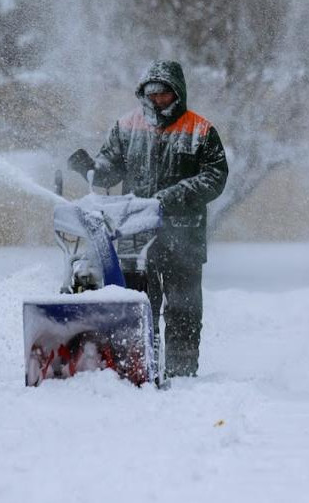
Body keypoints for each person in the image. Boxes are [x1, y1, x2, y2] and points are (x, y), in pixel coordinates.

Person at [68, 60, 228, 378]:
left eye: (163, 94)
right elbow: (110, 167)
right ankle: (142, 369)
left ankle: (182, 373)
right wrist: (91, 168)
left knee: (184, 309)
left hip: (184, 238)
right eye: (150, 94)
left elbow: (215, 177)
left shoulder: (200, 130)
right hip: (136, 238)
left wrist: (172, 198)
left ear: (177, 94)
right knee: (141, 309)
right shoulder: (127, 127)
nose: (156, 100)